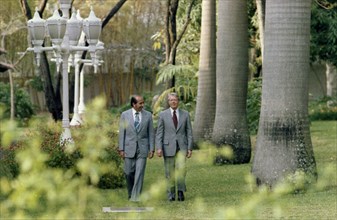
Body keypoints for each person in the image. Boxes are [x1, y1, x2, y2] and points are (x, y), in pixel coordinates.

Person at [156, 93, 193, 201]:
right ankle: (171, 194)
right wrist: (159, 147)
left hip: (182, 147)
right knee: (169, 172)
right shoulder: (163, 115)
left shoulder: (185, 114)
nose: (173, 102)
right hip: (168, 147)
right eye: (171, 100)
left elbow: (189, 132)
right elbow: (159, 133)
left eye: (175, 100)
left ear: (178, 101)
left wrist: (190, 148)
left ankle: (180, 192)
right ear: (168, 102)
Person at [118, 95, 155, 202]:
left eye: (143, 103)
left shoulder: (148, 115)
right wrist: (121, 149)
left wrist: (151, 149)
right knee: (128, 172)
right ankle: (131, 193)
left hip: (142, 149)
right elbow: (122, 133)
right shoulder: (124, 115)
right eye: (140, 103)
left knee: (139, 172)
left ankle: (135, 197)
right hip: (128, 148)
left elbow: (151, 133)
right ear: (134, 104)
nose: (142, 105)